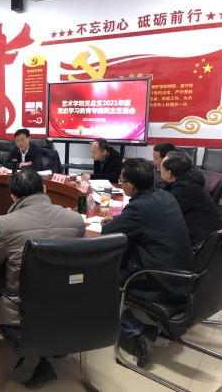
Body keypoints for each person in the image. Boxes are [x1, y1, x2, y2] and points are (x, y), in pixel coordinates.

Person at [0, 169, 85, 388]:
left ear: (13, 197)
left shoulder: (6, 224)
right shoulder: (75, 220)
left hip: (24, 311)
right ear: (44, 189)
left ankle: (36, 357)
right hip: (69, 305)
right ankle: (54, 346)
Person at [101, 158, 194, 368]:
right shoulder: (166, 196)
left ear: (130, 186)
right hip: (183, 275)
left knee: (101, 281)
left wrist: (116, 223)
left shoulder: (139, 208)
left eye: (121, 181)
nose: (121, 184)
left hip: (160, 279)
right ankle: (164, 323)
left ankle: (139, 331)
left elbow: (107, 233)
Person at [160, 151, 222, 247]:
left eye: (160, 167)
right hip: (200, 232)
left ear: (169, 173)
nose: (158, 169)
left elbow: (164, 212)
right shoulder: (188, 178)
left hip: (201, 241)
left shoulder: (184, 189)